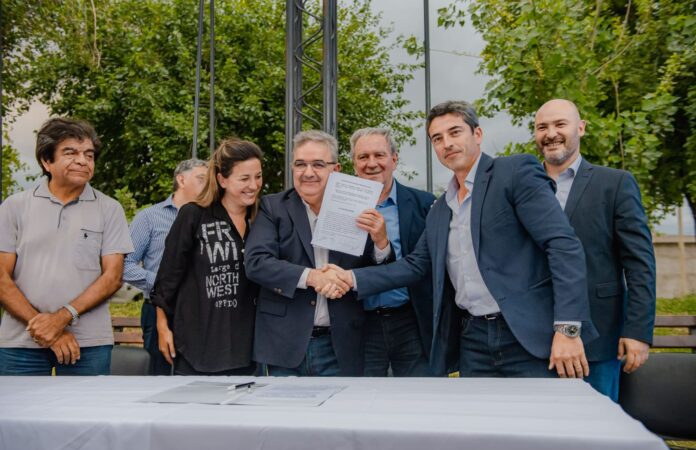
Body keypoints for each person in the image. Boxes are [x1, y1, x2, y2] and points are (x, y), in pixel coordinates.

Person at [333, 101, 598, 378]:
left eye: (455, 132)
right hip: (473, 340)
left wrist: (568, 328)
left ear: (477, 134)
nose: (447, 143)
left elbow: (562, 245)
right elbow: (415, 265)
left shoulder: (513, 172)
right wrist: (350, 278)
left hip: (528, 336)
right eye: (437, 138)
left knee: (540, 409)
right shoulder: (440, 208)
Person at [534, 99, 656, 401]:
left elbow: (639, 264)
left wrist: (637, 331)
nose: (551, 133)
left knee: (597, 424)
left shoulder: (615, 184)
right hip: (533, 341)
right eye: (542, 127)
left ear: (581, 128)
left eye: (560, 124)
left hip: (598, 339)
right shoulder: (523, 186)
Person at [244, 130, 391, 376]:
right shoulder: (272, 206)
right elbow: (257, 263)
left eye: (318, 165)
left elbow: (375, 271)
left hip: (341, 345)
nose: (308, 172)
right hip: (284, 344)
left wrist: (381, 242)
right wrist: (314, 277)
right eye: (300, 164)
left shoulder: (358, 209)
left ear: (336, 170)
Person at [0, 117, 133, 375]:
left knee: (89, 404)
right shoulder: (14, 207)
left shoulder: (109, 209)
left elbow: (113, 277)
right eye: (70, 153)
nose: (83, 161)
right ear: (46, 161)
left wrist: (62, 318)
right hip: (20, 342)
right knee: (17, 404)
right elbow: (1, 278)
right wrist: (46, 328)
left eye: (89, 155)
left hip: (89, 344)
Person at [150, 139, 262, 375]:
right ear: (222, 180)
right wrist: (162, 327)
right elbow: (167, 278)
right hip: (196, 347)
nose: (253, 185)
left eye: (258, 177)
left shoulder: (263, 220)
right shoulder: (194, 215)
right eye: (244, 178)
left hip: (247, 349)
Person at [350, 127, 435, 377]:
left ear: (394, 160)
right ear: (354, 164)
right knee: (364, 397)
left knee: (418, 395)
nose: (371, 163)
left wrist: (382, 242)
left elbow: (427, 265)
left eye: (379, 155)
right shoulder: (338, 206)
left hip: (411, 321)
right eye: (363, 157)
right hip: (361, 323)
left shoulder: (423, 204)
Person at [123, 159, 208, 375]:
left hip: (201, 311)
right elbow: (125, 265)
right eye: (201, 179)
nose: (207, 185)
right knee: (158, 375)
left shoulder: (211, 219)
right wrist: (164, 284)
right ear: (181, 180)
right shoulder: (149, 218)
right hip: (159, 309)